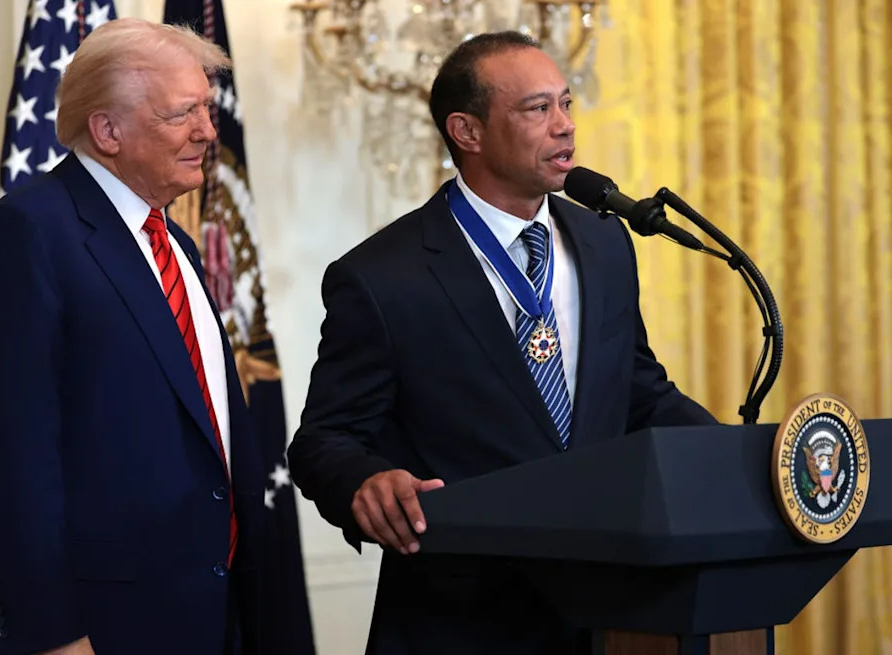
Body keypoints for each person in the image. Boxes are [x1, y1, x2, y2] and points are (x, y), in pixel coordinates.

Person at [288, 31, 717, 654]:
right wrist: (365, 481)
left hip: (614, 611)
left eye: (566, 103)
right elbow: (324, 440)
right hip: (461, 620)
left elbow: (640, 394)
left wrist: (733, 463)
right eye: (537, 109)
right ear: (467, 132)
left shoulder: (605, 244)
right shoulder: (381, 276)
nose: (565, 126)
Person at [0, 18, 263, 655]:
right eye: (182, 114)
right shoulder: (26, 236)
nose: (206, 130)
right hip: (97, 625)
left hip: (202, 608)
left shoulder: (175, 244)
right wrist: (54, 635)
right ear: (107, 131)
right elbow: (11, 462)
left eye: (205, 107)